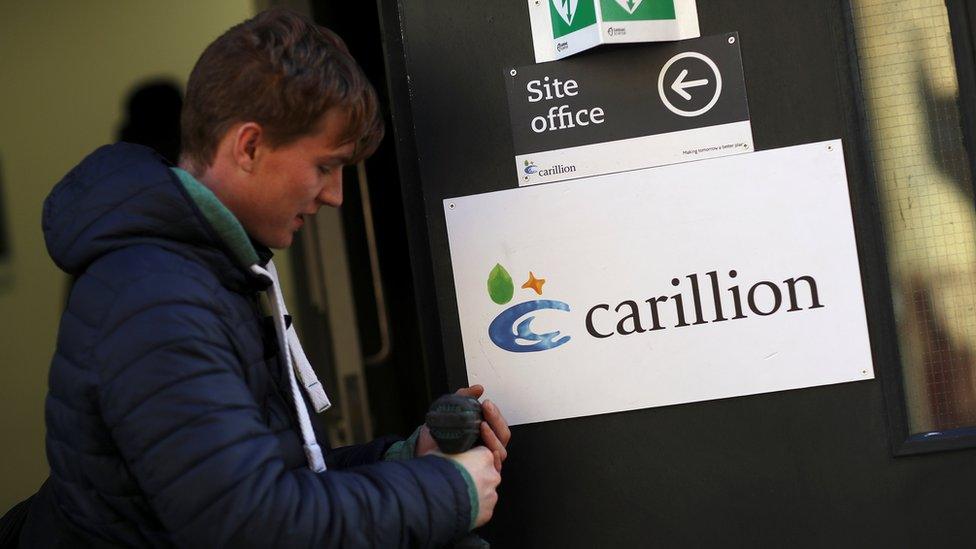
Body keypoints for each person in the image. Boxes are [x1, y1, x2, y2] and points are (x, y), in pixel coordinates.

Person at [19, 8, 509, 548]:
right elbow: (252, 525)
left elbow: (274, 481)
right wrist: (445, 491)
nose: (335, 195)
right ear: (249, 146)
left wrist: (408, 460)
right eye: (325, 166)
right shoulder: (155, 300)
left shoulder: (202, 274)